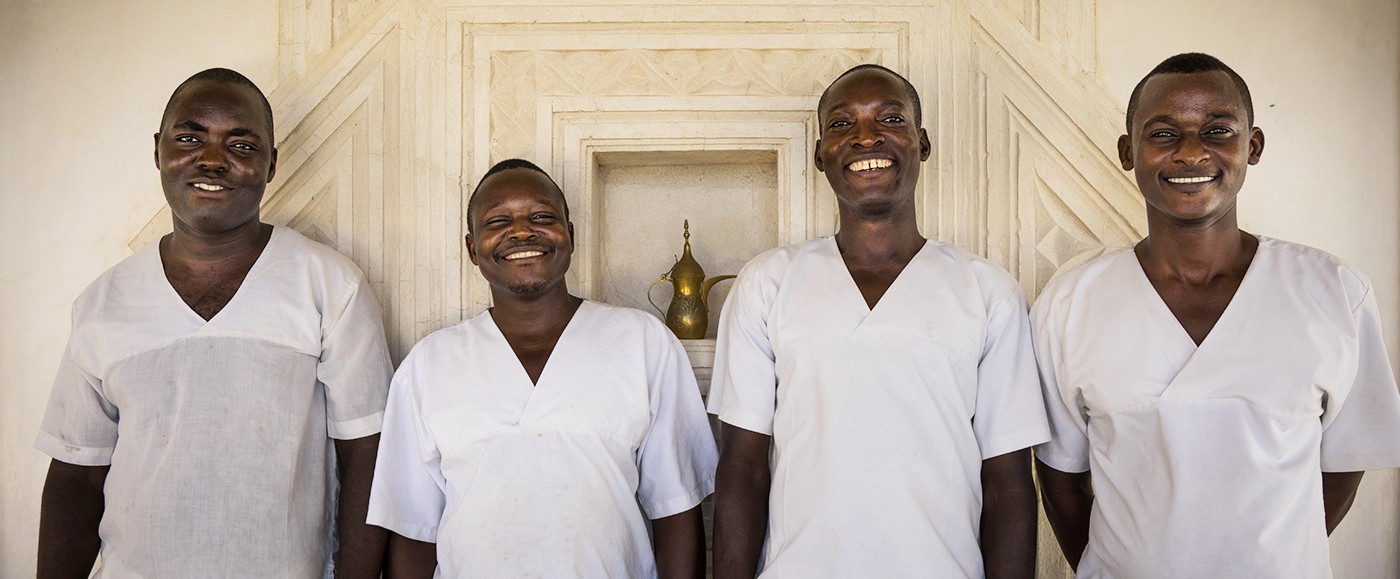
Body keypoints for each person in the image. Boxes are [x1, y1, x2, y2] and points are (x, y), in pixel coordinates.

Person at [1033, 52, 1400, 578]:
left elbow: (1343, 464)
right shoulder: (1069, 303)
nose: (1190, 152)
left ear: (1252, 147)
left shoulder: (1334, 293)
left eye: (1217, 129)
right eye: (1162, 133)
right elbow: (1062, 479)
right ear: (1127, 152)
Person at [34, 68, 393, 578]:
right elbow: (76, 473)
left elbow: (367, 457)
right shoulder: (104, 302)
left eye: (242, 145)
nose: (211, 159)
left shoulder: (330, 286)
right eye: (189, 137)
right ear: (158, 150)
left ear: (271, 164)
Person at [707, 64, 1049, 578]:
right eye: (842, 124)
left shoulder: (986, 289)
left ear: (922, 142)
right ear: (821, 155)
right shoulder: (768, 283)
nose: (866, 137)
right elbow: (742, 470)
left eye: (890, 118)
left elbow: (1008, 484)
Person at [365, 159, 718, 578]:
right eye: (498, 220)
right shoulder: (427, 366)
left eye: (541, 217)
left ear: (571, 234)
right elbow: (413, 534)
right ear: (472, 248)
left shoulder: (642, 343)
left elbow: (677, 511)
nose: (521, 231)